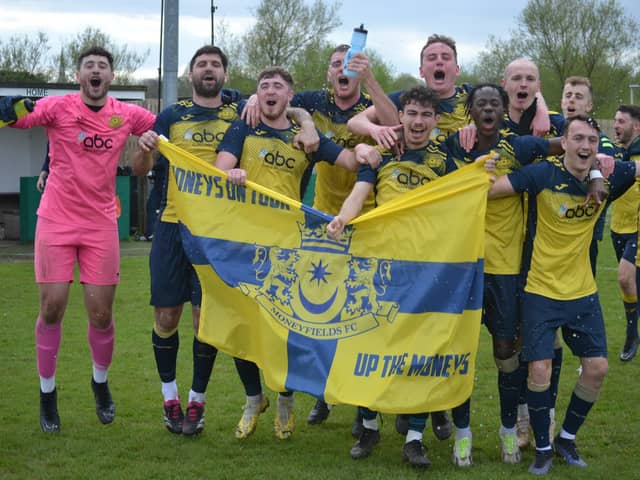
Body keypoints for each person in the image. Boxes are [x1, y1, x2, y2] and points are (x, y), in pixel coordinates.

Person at [134, 46, 319, 436]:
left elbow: (293, 106)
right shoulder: (171, 115)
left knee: (209, 319)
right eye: (201, 63)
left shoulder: (242, 111)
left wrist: (303, 120)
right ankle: (170, 398)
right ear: (190, 73)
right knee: (167, 316)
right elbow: (140, 169)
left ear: (225, 73)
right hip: (172, 223)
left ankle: (197, 402)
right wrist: (144, 151)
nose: (208, 69)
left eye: (215, 64)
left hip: (221, 231)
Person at [215, 66, 381, 441]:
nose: (270, 91)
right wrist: (234, 173)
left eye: (278, 86)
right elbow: (220, 167)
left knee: (281, 329)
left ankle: (285, 401)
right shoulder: (244, 125)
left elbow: (351, 163)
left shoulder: (306, 136)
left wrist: (364, 148)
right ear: (257, 95)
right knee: (242, 326)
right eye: (264, 86)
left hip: (287, 247)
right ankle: (252, 398)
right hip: (242, 240)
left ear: (291, 96)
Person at [0, 46, 156, 433]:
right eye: (89, 66)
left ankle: (100, 383)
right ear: (79, 75)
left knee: (101, 315)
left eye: (103, 66)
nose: (96, 71)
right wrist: (8, 108)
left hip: (101, 223)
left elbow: (170, 125)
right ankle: (47, 394)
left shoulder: (128, 114)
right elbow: (16, 119)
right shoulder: (58, 107)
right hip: (55, 219)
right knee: (52, 308)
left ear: (111, 77)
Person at [328, 86, 476, 467]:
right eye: (411, 113)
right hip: (380, 266)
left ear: (436, 120)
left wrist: (481, 175)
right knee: (369, 345)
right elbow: (360, 192)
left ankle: (414, 437)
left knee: (421, 351)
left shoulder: (443, 160)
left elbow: (462, 198)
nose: (418, 121)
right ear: (401, 116)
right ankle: (370, 426)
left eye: (426, 115)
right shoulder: (381, 154)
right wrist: (343, 218)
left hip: (426, 269)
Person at [488, 115, 640, 474]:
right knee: (539, 370)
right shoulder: (543, 174)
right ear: (565, 143)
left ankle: (566, 439)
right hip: (540, 290)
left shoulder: (612, 175)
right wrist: (488, 166)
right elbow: (492, 189)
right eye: (578, 139)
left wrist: (616, 164)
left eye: (591, 139)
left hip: (583, 292)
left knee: (598, 368)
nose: (585, 146)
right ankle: (542, 448)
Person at [444, 83, 562, 466]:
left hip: (505, 268)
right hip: (460, 264)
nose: (490, 108)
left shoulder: (518, 146)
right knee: (458, 352)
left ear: (503, 107)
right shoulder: (453, 147)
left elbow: (571, 145)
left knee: (505, 352)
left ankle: (508, 431)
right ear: (471, 111)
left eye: (496, 102)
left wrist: (597, 166)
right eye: (482, 103)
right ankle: (462, 433)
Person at [612, 104, 640, 361]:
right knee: (631, 284)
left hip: (637, 229)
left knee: (624, 277)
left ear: (637, 126)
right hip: (617, 228)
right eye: (615, 121)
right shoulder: (619, 154)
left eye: (622, 121)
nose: (616, 125)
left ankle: (632, 334)